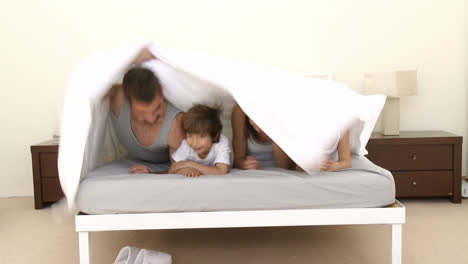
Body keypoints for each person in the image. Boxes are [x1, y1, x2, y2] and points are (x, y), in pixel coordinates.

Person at [105, 48, 185, 173]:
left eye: (157, 108)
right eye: (141, 113)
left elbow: (179, 170)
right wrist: (133, 58)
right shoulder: (118, 98)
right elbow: (91, 80)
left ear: (162, 93)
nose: (151, 119)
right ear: (127, 100)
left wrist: (152, 174)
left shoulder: (175, 123)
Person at [231, 104, 351, 172]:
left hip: (288, 167)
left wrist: (334, 166)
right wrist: (242, 163)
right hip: (266, 168)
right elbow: (238, 159)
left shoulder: (339, 126)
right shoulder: (240, 111)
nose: (254, 125)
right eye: (251, 121)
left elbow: (346, 161)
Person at [133, 104, 232, 176]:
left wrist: (190, 164)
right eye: (190, 135)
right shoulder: (186, 145)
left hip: (229, 162)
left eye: (201, 136)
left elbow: (221, 171)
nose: (194, 142)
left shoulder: (221, 142)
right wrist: (150, 173)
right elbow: (173, 169)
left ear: (215, 136)